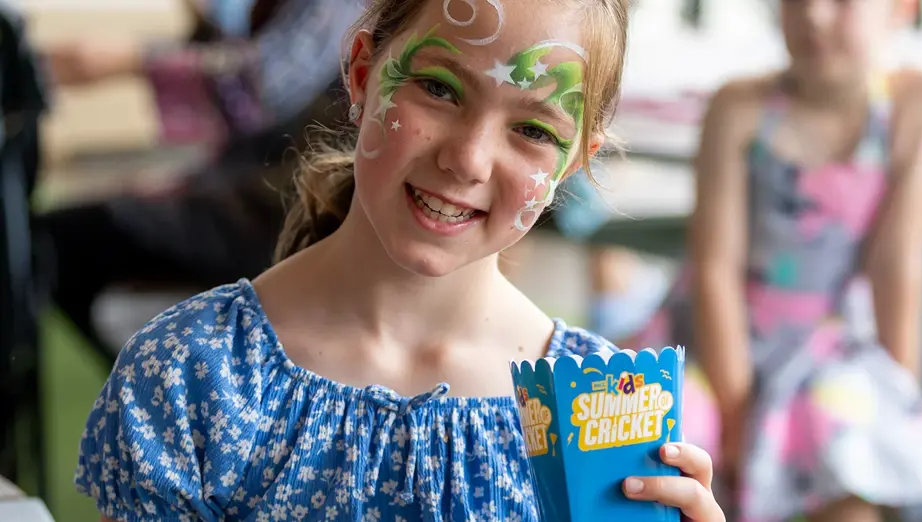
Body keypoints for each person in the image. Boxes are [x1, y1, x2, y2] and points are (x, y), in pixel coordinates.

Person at [73, 0, 725, 519]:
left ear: (575, 162)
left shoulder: (599, 417)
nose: (468, 158)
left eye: (532, 130)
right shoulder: (197, 373)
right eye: (440, 90)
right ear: (361, 73)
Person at [624, 0, 922, 520]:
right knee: (656, 456)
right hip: (709, 340)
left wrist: (899, 407)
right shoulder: (739, 107)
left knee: (855, 465)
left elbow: (896, 266)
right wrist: (738, 416)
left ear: (901, 8)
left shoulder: (911, 105)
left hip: (824, 349)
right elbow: (715, 271)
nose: (812, 15)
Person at [37, 0, 364, 360]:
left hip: (284, 219)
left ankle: (150, 380)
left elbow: (258, 87)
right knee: (68, 236)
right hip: (256, 203)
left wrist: (128, 61)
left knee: (56, 241)